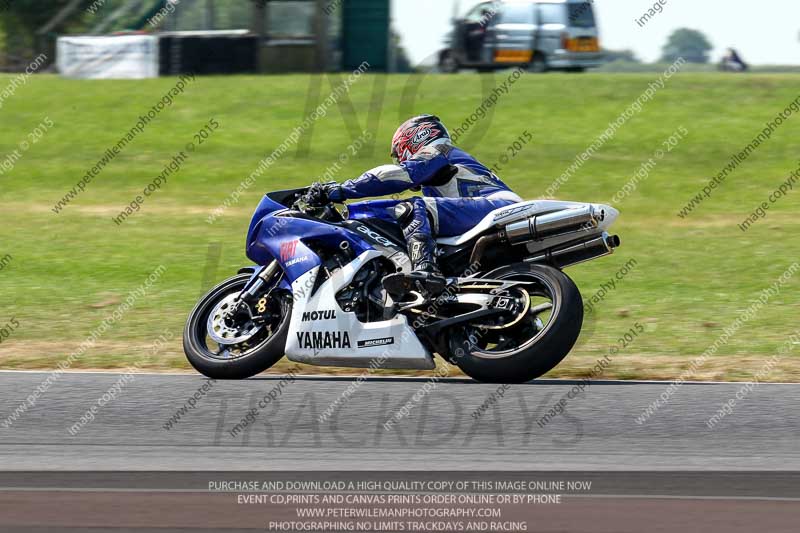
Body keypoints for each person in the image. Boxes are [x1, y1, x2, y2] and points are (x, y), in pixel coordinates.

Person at [304, 114, 522, 297]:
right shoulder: (438, 179)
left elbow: (400, 175)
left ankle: (425, 272)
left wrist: (340, 190)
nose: (400, 160)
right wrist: (351, 213)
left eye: (400, 154)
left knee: (411, 208)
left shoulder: (441, 152)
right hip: (489, 217)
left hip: (498, 207)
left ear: (415, 138)